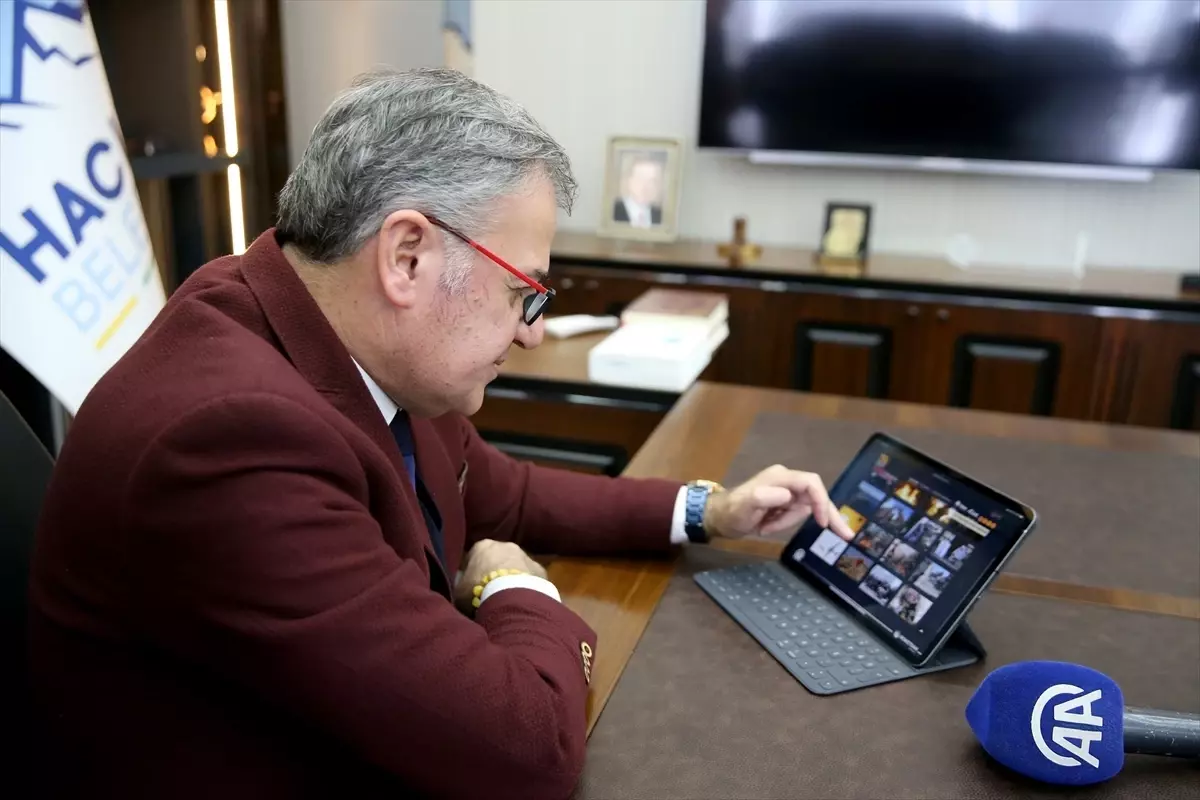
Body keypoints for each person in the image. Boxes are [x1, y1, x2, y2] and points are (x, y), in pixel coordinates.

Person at [28, 68, 854, 799]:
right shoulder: (230, 442)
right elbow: (528, 754)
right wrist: (512, 588)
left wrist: (712, 509)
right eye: (524, 294)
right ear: (408, 257)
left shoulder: (337, 331)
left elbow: (508, 493)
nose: (532, 332)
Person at [611, 153, 664, 227]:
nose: (646, 187)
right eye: (641, 178)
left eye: (652, 181)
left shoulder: (661, 216)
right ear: (628, 180)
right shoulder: (612, 211)